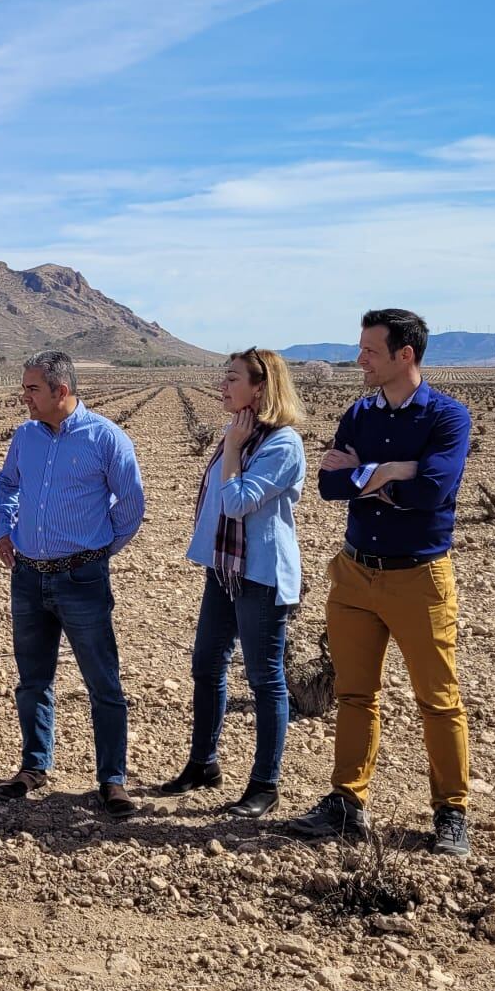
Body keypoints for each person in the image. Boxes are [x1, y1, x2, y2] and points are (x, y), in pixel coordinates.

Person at [287, 309, 474, 858]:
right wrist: (397, 470)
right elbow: (328, 483)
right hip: (354, 574)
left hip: (418, 577)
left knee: (437, 700)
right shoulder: (360, 412)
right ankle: (347, 801)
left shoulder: (447, 417)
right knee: (353, 694)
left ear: (404, 355)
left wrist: (371, 473)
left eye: (369, 350)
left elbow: (433, 491)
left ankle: (451, 811)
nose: (359, 360)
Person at [0, 350, 145, 815]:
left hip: (82, 578)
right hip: (28, 576)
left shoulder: (106, 438)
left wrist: (96, 552)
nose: (25, 397)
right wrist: (3, 527)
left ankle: (112, 780)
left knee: (103, 682)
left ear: (61, 390)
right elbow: (6, 484)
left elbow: (131, 505)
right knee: (32, 679)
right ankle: (34, 765)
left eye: (33, 388)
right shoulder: (25, 436)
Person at [157, 348, 307, 818]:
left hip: (259, 576)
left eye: (233, 378)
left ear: (260, 388)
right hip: (223, 569)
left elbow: (237, 501)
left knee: (265, 679)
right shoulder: (236, 432)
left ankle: (265, 784)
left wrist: (235, 452)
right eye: (224, 376)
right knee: (206, 663)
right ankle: (204, 763)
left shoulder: (282, 444)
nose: (223, 385)